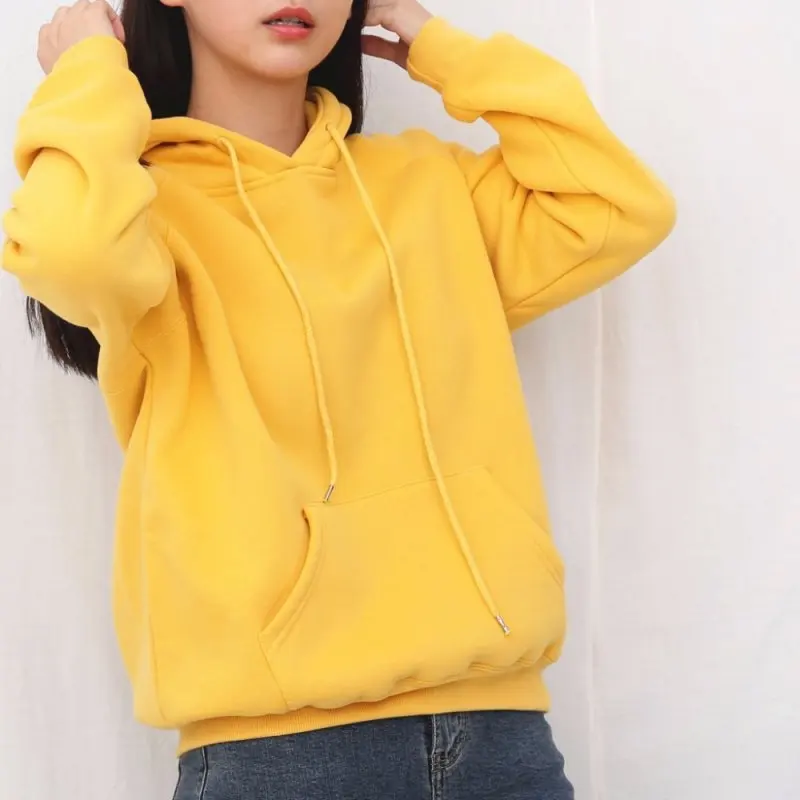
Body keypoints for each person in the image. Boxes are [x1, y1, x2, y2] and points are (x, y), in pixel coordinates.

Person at [3, 0, 675, 797]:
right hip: (279, 756)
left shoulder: (428, 184)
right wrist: (89, 71)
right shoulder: (144, 212)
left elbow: (616, 205)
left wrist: (444, 50)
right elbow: (66, 252)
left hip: (502, 739)